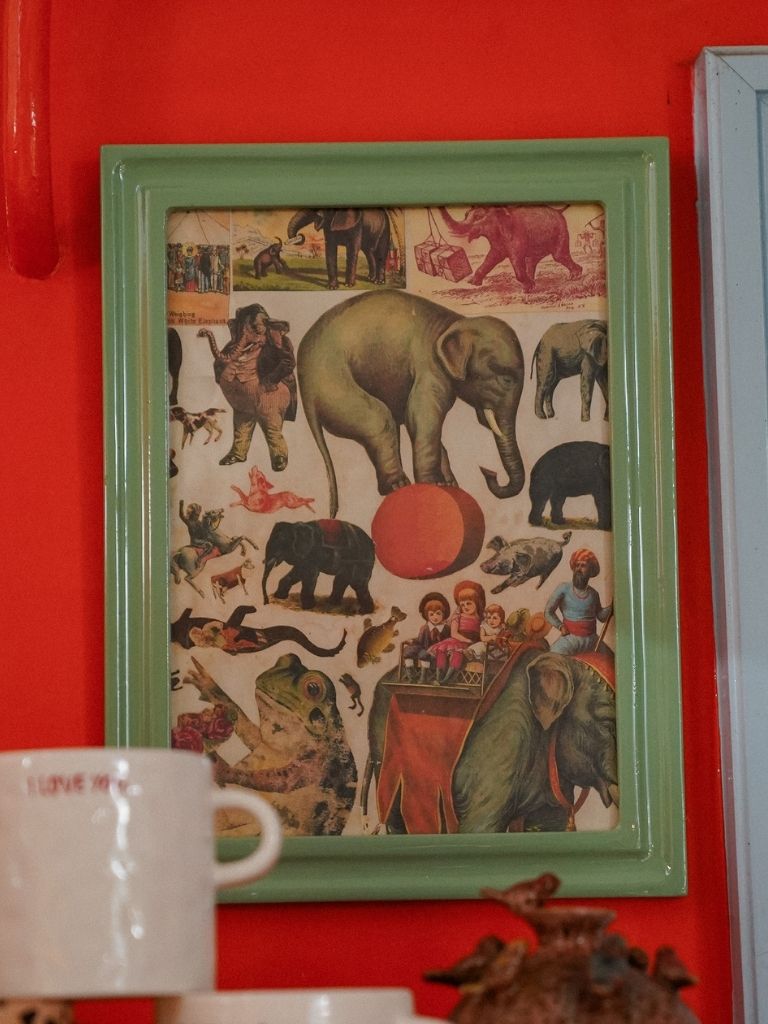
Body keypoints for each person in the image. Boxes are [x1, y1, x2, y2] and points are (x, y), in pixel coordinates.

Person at [544, 548, 613, 655]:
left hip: (592, 640)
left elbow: (601, 617)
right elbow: (548, 611)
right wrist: (560, 626)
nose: (578, 569)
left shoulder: (594, 594)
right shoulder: (563, 588)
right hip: (569, 640)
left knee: (611, 659)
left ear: (591, 570)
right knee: (553, 658)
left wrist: (612, 606)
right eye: (577, 565)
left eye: (583, 565)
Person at [430, 580, 486, 686]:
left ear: (477, 602)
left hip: (470, 645)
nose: (465, 607)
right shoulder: (458, 617)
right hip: (457, 640)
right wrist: (467, 640)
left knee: (458, 654)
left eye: (469, 603)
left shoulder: (480, 619)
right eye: (462, 605)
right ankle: (439, 678)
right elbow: (454, 633)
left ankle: (446, 680)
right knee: (441, 651)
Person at [402, 592, 451, 683]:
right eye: (431, 614)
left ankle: (423, 677)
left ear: (443, 614)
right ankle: (411, 677)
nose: (435, 617)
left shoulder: (446, 629)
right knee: (407, 651)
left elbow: (448, 641)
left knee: (423, 654)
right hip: (423, 647)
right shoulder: (425, 628)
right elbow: (420, 641)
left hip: (437, 651)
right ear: (427, 616)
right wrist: (413, 641)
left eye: (438, 613)